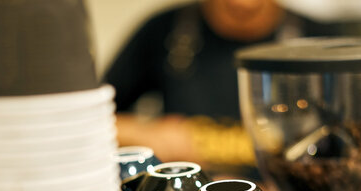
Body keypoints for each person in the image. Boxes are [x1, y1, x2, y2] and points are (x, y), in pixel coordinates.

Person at [103, 0, 304, 181]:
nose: (243, 4)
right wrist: (146, 135)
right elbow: (93, 120)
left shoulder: (319, 38)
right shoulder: (164, 31)